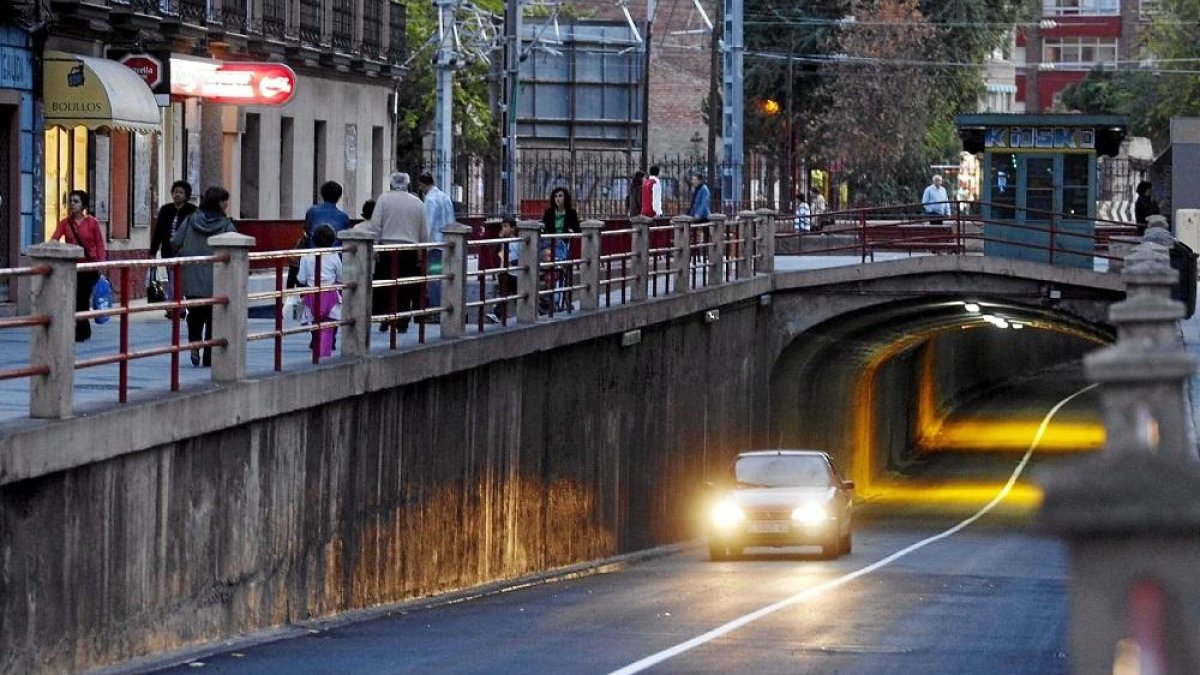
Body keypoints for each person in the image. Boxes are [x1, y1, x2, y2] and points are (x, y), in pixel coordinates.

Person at [171, 186, 236, 367]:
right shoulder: (226, 226)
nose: (226, 205)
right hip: (217, 278)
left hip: (192, 275)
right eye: (225, 202)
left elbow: (176, 241)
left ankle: (194, 345)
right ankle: (209, 355)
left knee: (195, 314)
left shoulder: (190, 220)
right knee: (213, 317)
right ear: (220, 203)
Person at [357, 172, 428, 333]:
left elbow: (375, 226)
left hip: (387, 249)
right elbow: (424, 231)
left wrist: (375, 246)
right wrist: (421, 251)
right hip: (409, 250)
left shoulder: (383, 200)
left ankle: (386, 318)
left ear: (391, 185)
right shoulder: (417, 202)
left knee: (386, 285)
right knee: (405, 287)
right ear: (408, 185)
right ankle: (402, 321)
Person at [51, 189, 107, 342]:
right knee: (73, 299)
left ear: (83, 205)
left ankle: (82, 331)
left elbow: (99, 244)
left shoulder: (92, 222)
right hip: (72, 267)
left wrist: (101, 263)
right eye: (71, 201)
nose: (72, 204)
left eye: (76, 201)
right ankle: (81, 329)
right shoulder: (65, 223)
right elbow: (54, 239)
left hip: (89, 267)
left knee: (82, 298)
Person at [150, 180, 196, 318]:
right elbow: (158, 231)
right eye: (175, 192)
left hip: (186, 251)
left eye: (181, 192)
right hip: (169, 251)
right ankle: (175, 308)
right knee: (173, 279)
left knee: (183, 280)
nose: (177, 195)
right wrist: (153, 251)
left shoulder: (192, 211)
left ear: (186, 195)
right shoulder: (166, 209)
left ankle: (179, 306)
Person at [296, 224, 343, 357]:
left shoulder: (306, 256)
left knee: (314, 319)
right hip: (330, 294)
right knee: (331, 318)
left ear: (314, 239)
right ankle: (329, 342)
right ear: (333, 240)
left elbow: (301, 279)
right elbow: (341, 277)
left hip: (312, 294)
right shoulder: (334, 256)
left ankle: (316, 340)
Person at [417, 171, 456, 317]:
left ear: (422, 184)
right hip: (447, 245)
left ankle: (436, 311)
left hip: (435, 247)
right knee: (445, 279)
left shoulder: (430, 200)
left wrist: (422, 247)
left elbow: (427, 225)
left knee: (435, 278)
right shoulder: (445, 197)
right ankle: (446, 308)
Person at [540, 187, 581, 312]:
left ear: (565, 198)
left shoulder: (571, 213)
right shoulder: (548, 212)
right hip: (549, 243)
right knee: (547, 267)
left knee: (560, 270)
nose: (558, 199)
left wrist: (571, 232)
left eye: (560, 196)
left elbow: (577, 229)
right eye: (556, 196)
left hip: (563, 244)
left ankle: (559, 300)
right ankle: (549, 299)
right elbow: (543, 228)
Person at [303, 180, 351, 246]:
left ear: (322, 194)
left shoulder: (311, 212)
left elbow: (307, 232)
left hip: (313, 250)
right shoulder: (344, 217)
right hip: (336, 251)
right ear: (339, 197)